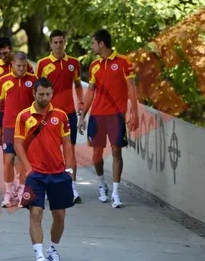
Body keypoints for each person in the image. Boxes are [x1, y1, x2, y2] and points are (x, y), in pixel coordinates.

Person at [14, 77, 76, 261]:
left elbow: (67, 143)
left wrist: (70, 170)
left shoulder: (61, 116)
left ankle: (52, 249)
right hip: (36, 174)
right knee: (36, 212)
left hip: (58, 173)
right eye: (41, 94)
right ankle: (39, 254)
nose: (44, 97)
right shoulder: (24, 116)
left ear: (52, 94)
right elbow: (18, 144)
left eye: (48, 94)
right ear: (34, 94)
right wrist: (28, 169)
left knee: (59, 216)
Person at [77, 29, 139, 208]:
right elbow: (90, 92)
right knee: (96, 155)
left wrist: (133, 113)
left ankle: (116, 192)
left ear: (101, 44)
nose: (92, 47)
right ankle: (101, 184)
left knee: (116, 151)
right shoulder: (94, 66)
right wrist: (83, 116)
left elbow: (132, 88)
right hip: (97, 116)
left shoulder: (124, 61)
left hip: (116, 115)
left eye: (93, 43)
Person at [35, 29, 84, 203]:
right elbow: (37, 90)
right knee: (49, 151)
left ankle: (72, 188)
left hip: (69, 114)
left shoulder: (73, 63)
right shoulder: (42, 64)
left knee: (69, 152)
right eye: (55, 42)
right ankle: (50, 186)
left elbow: (78, 85)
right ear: (50, 44)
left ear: (65, 43)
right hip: (48, 115)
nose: (58, 45)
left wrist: (81, 104)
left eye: (61, 42)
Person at [0, 37, 33, 192]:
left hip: (23, 116)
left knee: (22, 151)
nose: (3, 56)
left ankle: (19, 180)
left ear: (11, 50)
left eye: (5, 53)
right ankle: (10, 182)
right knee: (7, 152)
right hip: (3, 113)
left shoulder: (25, 66)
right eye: (0, 54)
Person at [0, 51, 37, 208]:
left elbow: (38, 103)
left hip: (26, 128)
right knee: (8, 160)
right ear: (12, 64)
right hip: (9, 126)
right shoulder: (4, 80)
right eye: (19, 66)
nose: (21, 69)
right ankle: (8, 192)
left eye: (24, 66)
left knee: (22, 161)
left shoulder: (33, 80)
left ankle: (21, 191)